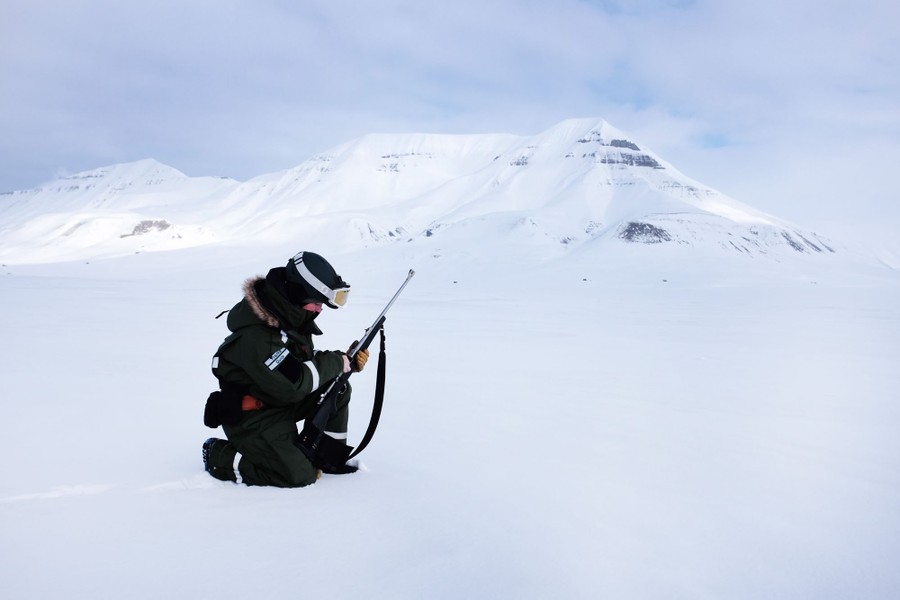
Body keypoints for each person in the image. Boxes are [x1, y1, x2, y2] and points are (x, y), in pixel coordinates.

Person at [202, 251, 368, 487]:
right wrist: (334, 362)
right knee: (298, 475)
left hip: (279, 401)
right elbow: (294, 383)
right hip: (255, 417)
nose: (320, 310)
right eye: (317, 303)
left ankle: (328, 458)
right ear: (298, 295)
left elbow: (302, 363)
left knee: (337, 387)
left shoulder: (290, 317)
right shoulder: (257, 337)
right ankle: (219, 455)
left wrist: (345, 361)